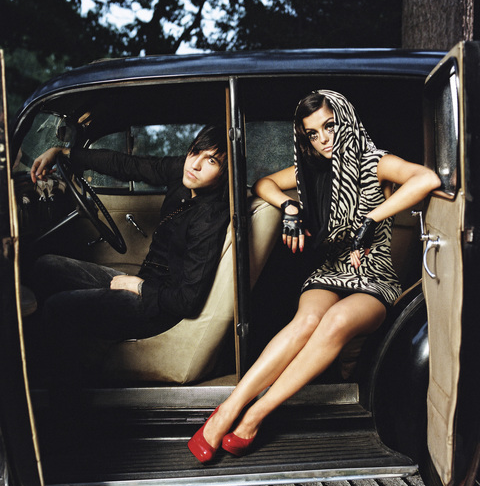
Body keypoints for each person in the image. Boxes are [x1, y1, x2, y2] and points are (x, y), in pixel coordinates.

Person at [187, 90, 441, 463]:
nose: (323, 139)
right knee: (306, 321)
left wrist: (373, 218)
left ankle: (256, 415)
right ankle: (228, 410)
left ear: (346, 120)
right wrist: (289, 206)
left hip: (374, 278)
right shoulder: (311, 170)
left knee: (336, 320)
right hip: (331, 270)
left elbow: (426, 178)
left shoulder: (375, 162)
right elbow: (263, 184)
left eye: (330, 126)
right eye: (312, 133)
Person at [29, 123, 230, 383]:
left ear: (225, 172)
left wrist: (139, 286)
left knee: (56, 307)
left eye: (211, 160)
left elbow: (186, 301)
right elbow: (129, 165)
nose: (195, 164)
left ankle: (58, 397)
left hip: (159, 308)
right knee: (45, 266)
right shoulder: (185, 172)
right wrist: (63, 152)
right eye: (195, 151)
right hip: (148, 282)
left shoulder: (209, 218)